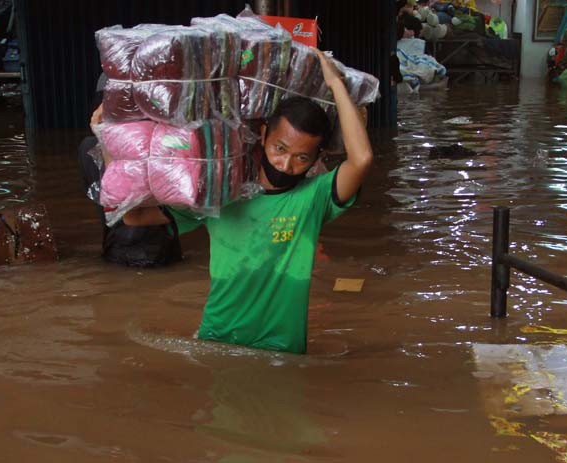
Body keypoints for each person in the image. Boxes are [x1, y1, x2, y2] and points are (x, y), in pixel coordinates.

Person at [113, 49, 373, 354]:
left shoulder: (312, 199)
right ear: (263, 136)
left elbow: (362, 158)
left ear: (317, 157)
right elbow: (132, 217)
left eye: (302, 158)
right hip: (215, 344)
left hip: (281, 352)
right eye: (280, 148)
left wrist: (336, 84)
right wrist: (114, 146)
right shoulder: (222, 194)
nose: (286, 165)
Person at [80, 74, 183, 268]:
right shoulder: (160, 140)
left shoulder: (88, 146)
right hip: (162, 249)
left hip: (117, 248)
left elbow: (108, 198)